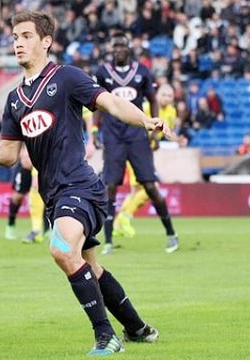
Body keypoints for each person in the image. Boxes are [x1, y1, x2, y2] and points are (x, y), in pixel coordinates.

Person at [0, 11, 166, 356]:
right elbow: (6, 155)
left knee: (61, 249)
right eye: (15, 36)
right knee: (89, 266)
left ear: (46, 41)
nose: (18, 42)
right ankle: (137, 328)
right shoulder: (14, 100)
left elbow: (113, 102)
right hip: (53, 194)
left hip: (81, 186)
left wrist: (144, 120)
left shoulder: (68, 77)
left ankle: (106, 336)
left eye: (26, 35)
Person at [93, 32, 179, 255]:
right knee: (110, 186)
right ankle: (109, 240)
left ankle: (171, 233)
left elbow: (152, 99)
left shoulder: (141, 71)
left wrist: (156, 127)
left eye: (123, 45)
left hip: (137, 135)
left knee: (149, 185)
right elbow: (96, 103)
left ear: (129, 48)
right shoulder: (103, 72)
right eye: (116, 46)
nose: (119, 49)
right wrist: (94, 129)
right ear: (112, 49)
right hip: (113, 136)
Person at [114, 84, 177, 238]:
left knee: (136, 191)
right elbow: (136, 125)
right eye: (164, 94)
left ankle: (117, 225)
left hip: (146, 152)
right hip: (135, 150)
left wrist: (174, 139)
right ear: (157, 95)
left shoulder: (172, 112)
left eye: (170, 95)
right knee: (150, 187)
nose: (166, 98)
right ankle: (125, 217)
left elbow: (165, 131)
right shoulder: (147, 107)